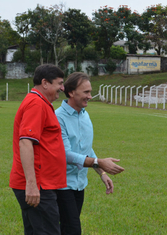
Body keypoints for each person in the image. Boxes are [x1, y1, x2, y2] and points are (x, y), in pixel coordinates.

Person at [55, 72, 125, 235]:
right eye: (86, 92)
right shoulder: (58, 117)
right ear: (71, 92)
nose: (90, 96)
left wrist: (102, 173)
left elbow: (86, 150)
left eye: (90, 91)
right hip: (61, 184)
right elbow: (65, 155)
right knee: (72, 230)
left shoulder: (85, 116)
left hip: (79, 184)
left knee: (65, 229)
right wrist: (98, 162)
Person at [9, 64, 67, 235]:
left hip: (42, 183)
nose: (62, 88)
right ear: (45, 83)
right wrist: (32, 185)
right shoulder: (36, 104)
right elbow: (26, 142)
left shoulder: (41, 102)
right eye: (59, 83)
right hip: (39, 185)